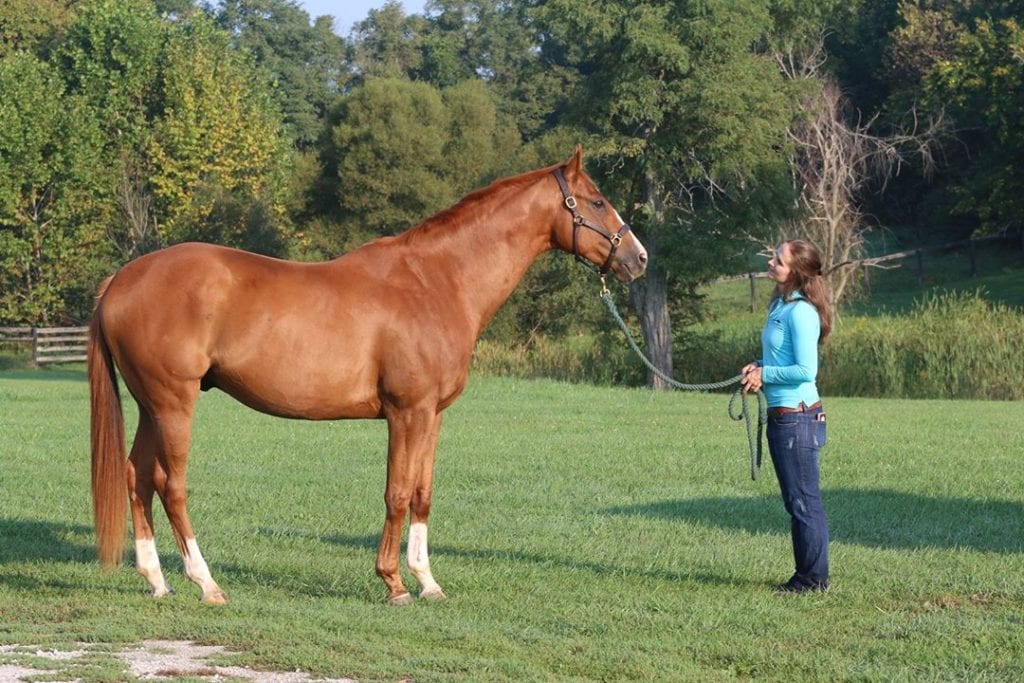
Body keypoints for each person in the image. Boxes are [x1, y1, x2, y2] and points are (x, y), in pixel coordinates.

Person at [740, 239, 832, 594]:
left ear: (796, 270)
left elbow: (806, 371)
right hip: (784, 419)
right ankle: (808, 575)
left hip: (798, 420)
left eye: (778, 259)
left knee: (804, 502)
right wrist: (760, 365)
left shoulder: (801, 313)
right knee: (797, 501)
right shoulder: (781, 305)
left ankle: (812, 580)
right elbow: (782, 360)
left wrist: (767, 376)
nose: (771, 262)